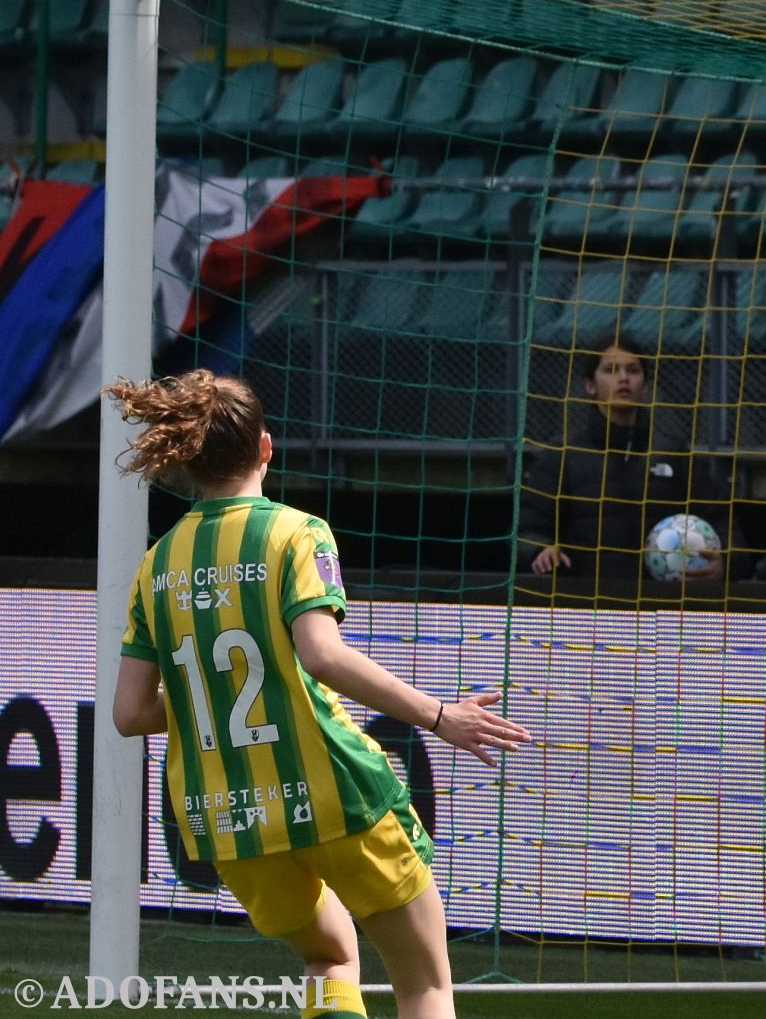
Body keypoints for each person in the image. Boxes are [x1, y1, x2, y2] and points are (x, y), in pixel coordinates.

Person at [107, 370, 531, 1019]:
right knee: (423, 985)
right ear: (266, 448)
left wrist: (216, 693)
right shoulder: (295, 533)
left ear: (187, 459)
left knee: (329, 960)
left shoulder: (156, 564)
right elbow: (322, 655)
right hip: (335, 796)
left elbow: (131, 713)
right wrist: (441, 716)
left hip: (231, 818)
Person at [521, 335, 733, 592]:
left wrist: (725, 564)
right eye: (611, 370)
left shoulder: (674, 454)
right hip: (586, 608)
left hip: (662, 606)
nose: (624, 378)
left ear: (644, 385)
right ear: (590, 385)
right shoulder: (562, 454)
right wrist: (540, 549)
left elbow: (722, 521)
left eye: (633, 370)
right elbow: (526, 528)